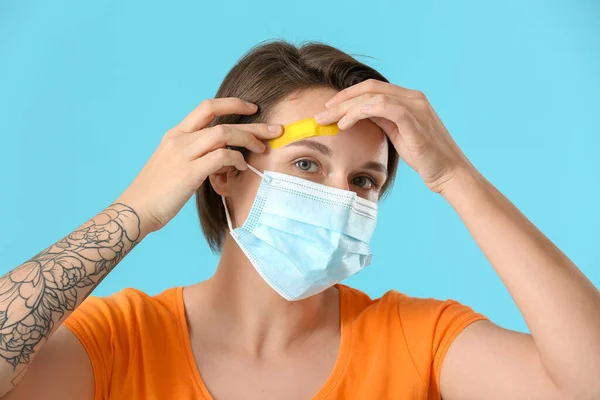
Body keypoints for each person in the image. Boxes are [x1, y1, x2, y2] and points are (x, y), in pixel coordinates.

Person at [1, 40, 599, 400]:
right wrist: (135, 211)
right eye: (308, 163)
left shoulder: (419, 341)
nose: (340, 194)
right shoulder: (120, 340)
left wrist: (455, 178)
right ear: (225, 169)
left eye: (364, 179)